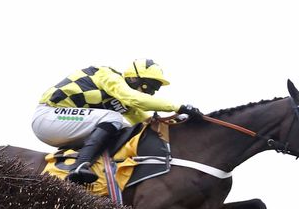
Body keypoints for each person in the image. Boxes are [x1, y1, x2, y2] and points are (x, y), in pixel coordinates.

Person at [32, 59, 205, 185]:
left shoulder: (123, 102)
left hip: (68, 125)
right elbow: (134, 99)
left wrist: (181, 121)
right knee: (112, 118)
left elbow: (146, 123)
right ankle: (80, 166)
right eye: (148, 86)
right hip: (49, 116)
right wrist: (179, 106)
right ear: (133, 78)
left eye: (155, 89)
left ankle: (102, 175)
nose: (151, 92)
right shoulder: (109, 76)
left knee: (127, 130)